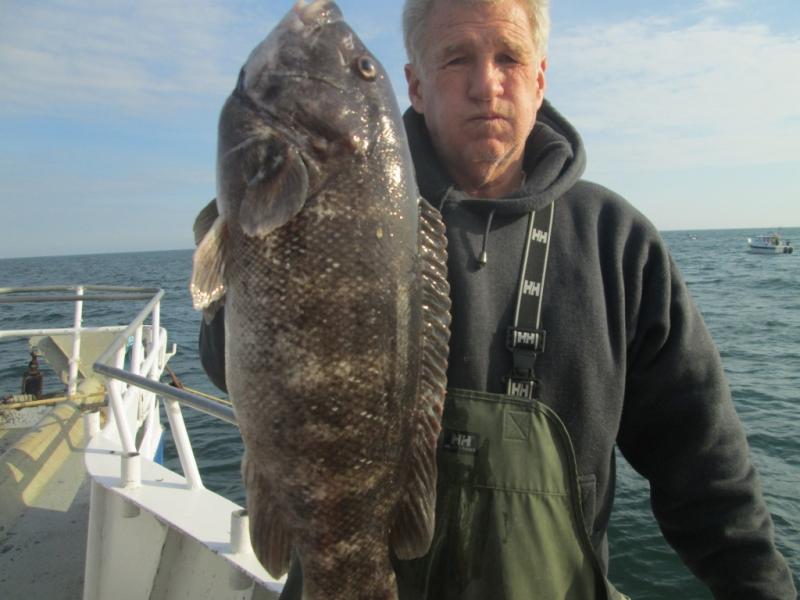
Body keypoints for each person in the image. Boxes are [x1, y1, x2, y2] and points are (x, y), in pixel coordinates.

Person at [200, 0, 796, 597]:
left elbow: (704, 466)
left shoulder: (617, 243)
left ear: (540, 78)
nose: (486, 84)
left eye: (509, 57)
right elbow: (223, 362)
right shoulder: (337, 201)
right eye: (456, 59)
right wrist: (254, 224)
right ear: (416, 85)